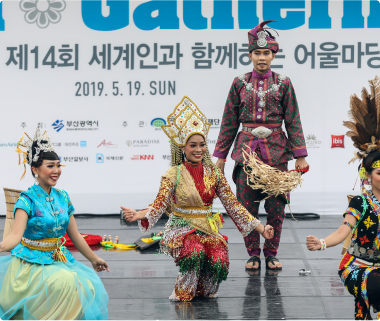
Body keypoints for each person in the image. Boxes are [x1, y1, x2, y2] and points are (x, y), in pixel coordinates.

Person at [122, 96, 274, 302]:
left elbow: (233, 205)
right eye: (192, 145)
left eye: (202, 144)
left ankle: (204, 291)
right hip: (181, 227)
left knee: (218, 256)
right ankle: (183, 292)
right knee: (194, 252)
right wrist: (139, 214)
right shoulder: (172, 174)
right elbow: (160, 204)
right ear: (182, 148)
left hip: (207, 227)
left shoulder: (214, 174)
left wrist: (260, 228)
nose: (198, 150)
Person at [213, 20, 309, 271]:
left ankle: (272, 253)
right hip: (246, 153)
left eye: (267, 53)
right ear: (250, 55)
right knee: (246, 206)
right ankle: (253, 253)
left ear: (273, 54)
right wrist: (221, 155)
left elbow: (293, 118)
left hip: (276, 152)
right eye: (257, 53)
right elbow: (229, 121)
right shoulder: (239, 83)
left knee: (277, 206)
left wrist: (300, 155)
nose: (262, 57)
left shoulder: (284, 82)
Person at [0, 127, 109, 321]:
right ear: (35, 169)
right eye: (50, 166)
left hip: (58, 259)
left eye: (58, 165)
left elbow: (75, 235)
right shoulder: (26, 201)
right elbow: (15, 237)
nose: (56, 171)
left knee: (86, 285)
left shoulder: (63, 197)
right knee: (67, 282)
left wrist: (94, 259)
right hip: (31, 264)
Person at [307, 77, 380, 321]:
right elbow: (343, 231)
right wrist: (323, 243)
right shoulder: (361, 203)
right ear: (368, 175)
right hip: (358, 266)